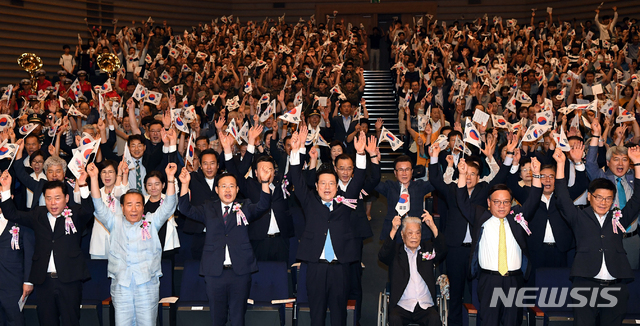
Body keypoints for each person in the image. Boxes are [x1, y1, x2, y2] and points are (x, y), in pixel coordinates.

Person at [177, 146, 272, 326]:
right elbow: (185, 209)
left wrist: (265, 183)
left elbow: (263, 206)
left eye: (231, 186)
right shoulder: (208, 208)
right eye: (223, 186)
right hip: (214, 272)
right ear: (217, 190)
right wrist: (184, 184)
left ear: (237, 189)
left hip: (240, 272)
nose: (227, 190)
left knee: (238, 318)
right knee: (217, 318)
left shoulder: (245, 206)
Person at [289, 126, 368, 326]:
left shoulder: (346, 202)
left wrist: (359, 154)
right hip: (315, 267)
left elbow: (358, 180)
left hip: (340, 268)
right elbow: (297, 180)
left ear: (337, 186)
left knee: (339, 316)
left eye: (331, 183)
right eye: (322, 183)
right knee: (317, 316)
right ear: (316, 187)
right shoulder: (309, 202)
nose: (326, 187)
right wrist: (296, 151)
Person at [554, 144, 640, 326]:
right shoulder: (579, 217)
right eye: (599, 197)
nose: (603, 202)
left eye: (608, 198)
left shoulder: (619, 218)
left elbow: (638, 199)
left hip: (616, 285)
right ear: (589, 197)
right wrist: (561, 164)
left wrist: (637, 163)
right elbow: (562, 198)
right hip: (585, 284)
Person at [0, 169, 94, 326]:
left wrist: (83, 183)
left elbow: (89, 210)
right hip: (44, 281)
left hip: (69, 279)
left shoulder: (75, 214)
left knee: (71, 321)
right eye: (48, 198)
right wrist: (5, 188)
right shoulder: (38, 214)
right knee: (46, 321)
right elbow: (11, 214)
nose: (53, 203)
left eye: (57, 198)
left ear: (66, 198)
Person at [456, 157, 542, 326]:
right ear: (489, 203)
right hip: (489, 280)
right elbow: (462, 201)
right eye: (497, 202)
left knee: (512, 322)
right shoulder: (481, 216)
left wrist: (537, 175)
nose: (502, 206)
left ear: (511, 203)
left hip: (514, 280)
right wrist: (461, 174)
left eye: (506, 202)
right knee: (489, 322)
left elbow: (533, 200)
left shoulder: (517, 217)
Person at [89, 161, 177, 326]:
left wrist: (170, 178)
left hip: (147, 285)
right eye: (129, 205)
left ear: (143, 208)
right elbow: (98, 206)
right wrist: (94, 178)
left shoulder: (151, 221)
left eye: (138, 205)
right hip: (122, 285)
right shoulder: (114, 222)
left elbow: (169, 206)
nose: (134, 209)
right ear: (122, 207)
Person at [585, 120, 640, 269]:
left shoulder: (634, 179)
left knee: (633, 279)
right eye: (616, 159)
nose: (620, 163)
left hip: (632, 238)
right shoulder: (601, 178)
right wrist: (596, 135)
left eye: (625, 160)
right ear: (608, 163)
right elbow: (590, 163)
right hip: (608, 238)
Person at [378, 212, 446, 326]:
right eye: (410, 233)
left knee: (434, 318)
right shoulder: (395, 252)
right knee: (394, 319)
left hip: (425, 305)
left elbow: (443, 250)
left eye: (417, 233)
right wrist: (393, 229)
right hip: (402, 305)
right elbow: (383, 256)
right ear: (402, 234)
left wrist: (433, 226)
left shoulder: (427, 250)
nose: (414, 236)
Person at [376, 155, 435, 241]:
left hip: (417, 233)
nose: (404, 173)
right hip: (395, 232)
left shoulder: (420, 186)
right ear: (395, 173)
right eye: (400, 170)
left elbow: (436, 181)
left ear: (412, 171)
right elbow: (373, 182)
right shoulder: (389, 187)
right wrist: (375, 161)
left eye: (407, 169)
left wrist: (434, 158)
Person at [0, 205, 34, 326]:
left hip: (13, 284)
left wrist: (28, 281)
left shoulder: (21, 221)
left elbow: (30, 254)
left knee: (15, 320)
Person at [89, 160, 129, 260]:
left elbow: (120, 193)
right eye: (104, 172)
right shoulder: (96, 193)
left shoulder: (122, 191)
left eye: (111, 172)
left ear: (116, 174)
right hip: (98, 243)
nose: (107, 175)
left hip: (119, 242)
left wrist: (123, 174)